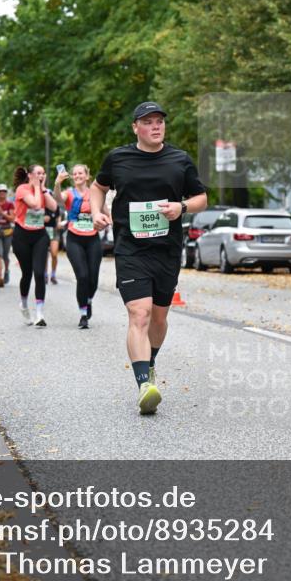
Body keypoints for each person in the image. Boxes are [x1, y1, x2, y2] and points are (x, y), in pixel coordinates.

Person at [91, 102, 207, 414]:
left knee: (158, 317)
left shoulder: (179, 160)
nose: (156, 126)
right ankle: (144, 384)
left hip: (167, 250)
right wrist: (95, 211)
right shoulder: (118, 158)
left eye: (159, 122)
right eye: (148, 122)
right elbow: (97, 187)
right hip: (131, 248)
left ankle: (150, 362)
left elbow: (201, 198)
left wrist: (180, 208)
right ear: (135, 128)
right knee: (138, 314)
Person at [12, 165, 58, 327]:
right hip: (21, 236)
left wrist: (43, 188)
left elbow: (54, 207)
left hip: (39, 235)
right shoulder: (22, 189)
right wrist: (38, 188)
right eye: (38, 173)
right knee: (27, 274)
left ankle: (39, 314)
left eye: (43, 173)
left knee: (39, 273)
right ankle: (24, 304)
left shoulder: (42, 190)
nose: (41, 175)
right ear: (30, 175)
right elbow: (35, 205)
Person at [60, 164, 103, 329]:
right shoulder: (69, 193)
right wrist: (57, 184)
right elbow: (58, 199)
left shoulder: (94, 193)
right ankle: (83, 314)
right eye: (75, 173)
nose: (77, 175)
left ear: (87, 175)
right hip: (74, 239)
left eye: (80, 173)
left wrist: (108, 221)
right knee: (83, 277)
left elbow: (104, 212)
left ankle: (89, 299)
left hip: (93, 239)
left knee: (93, 279)